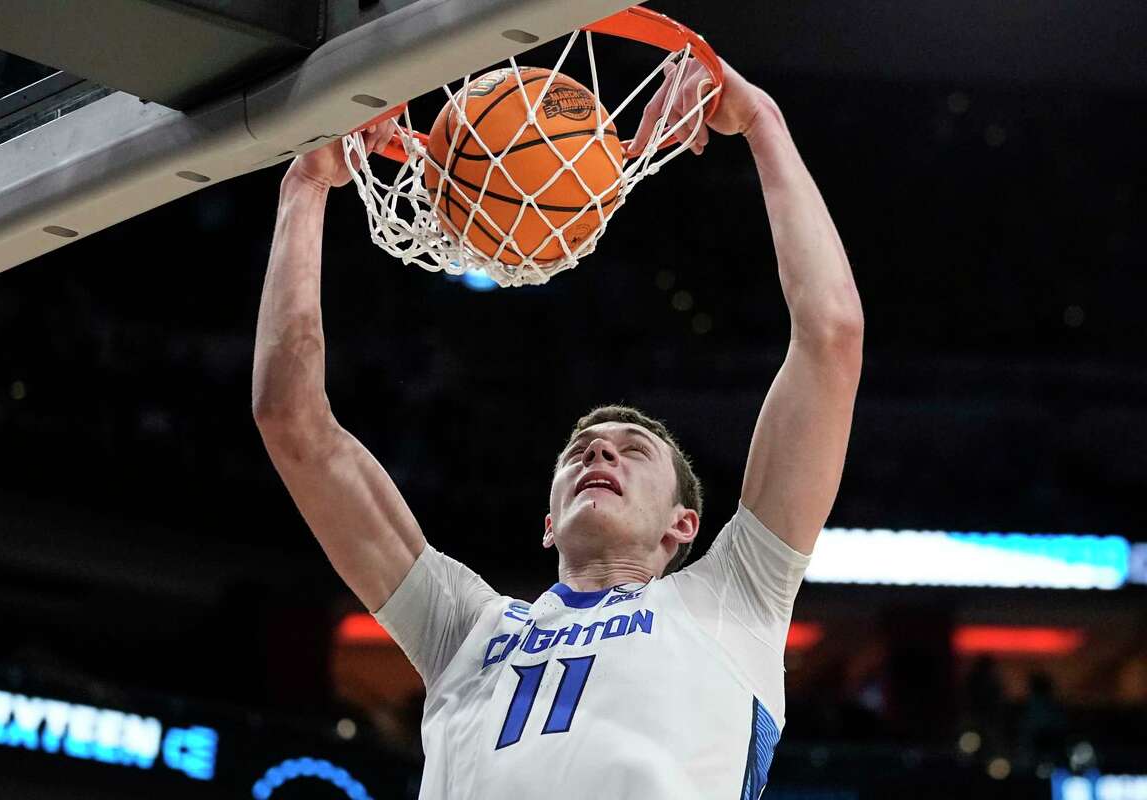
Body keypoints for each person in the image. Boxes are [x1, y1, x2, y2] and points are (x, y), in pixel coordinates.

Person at [252, 55, 863, 799]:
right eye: (579, 452)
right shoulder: (465, 629)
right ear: (549, 522)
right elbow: (294, 423)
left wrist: (762, 120)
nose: (599, 449)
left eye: (632, 450)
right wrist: (306, 185)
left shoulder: (733, 598)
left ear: (683, 524)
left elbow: (830, 336)